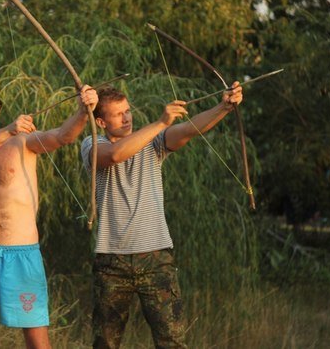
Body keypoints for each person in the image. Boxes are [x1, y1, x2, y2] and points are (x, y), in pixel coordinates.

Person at [81, 83, 243, 348]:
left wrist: (224, 107)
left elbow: (189, 129)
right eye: (118, 114)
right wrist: (160, 122)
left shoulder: (153, 142)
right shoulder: (92, 144)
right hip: (112, 260)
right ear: (100, 122)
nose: (127, 117)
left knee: (172, 340)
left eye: (128, 110)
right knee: (105, 343)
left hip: (156, 257)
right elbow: (117, 154)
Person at [0, 87, 98, 349]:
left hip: (22, 254)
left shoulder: (21, 141)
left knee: (37, 341)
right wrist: (8, 129)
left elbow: (62, 136)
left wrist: (83, 111)